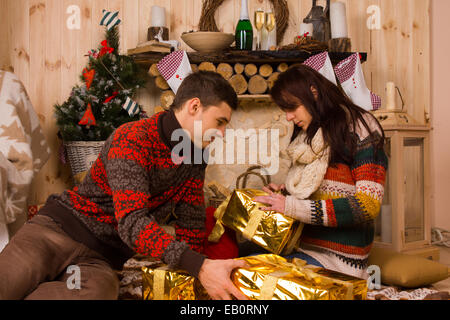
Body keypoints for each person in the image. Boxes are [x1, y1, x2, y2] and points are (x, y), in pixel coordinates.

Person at [0, 71, 248, 300]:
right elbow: (132, 223)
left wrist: (196, 277)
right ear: (195, 106)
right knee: (7, 283)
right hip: (55, 232)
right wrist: (200, 266)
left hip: (100, 260)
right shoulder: (132, 139)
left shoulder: (196, 156)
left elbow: (191, 223)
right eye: (220, 122)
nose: (222, 133)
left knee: (101, 293)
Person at [254, 65, 388, 279]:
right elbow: (319, 190)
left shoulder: (360, 128)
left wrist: (291, 206)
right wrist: (285, 193)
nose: (288, 117)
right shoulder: (309, 134)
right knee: (236, 261)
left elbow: (367, 204)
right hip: (302, 248)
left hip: (339, 260)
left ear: (313, 93)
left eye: (292, 108)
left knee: (254, 277)